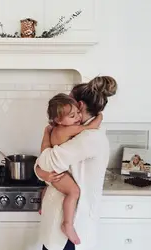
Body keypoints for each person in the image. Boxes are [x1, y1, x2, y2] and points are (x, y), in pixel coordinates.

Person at [34, 76, 117, 250]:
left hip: (67, 230)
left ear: (79, 105)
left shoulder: (89, 137)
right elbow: (45, 165)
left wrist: (42, 171)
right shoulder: (77, 132)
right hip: (57, 224)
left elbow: (46, 162)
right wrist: (42, 172)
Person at [39, 93, 103, 245]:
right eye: (72, 116)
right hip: (53, 167)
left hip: (49, 164)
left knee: (47, 187)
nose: (77, 118)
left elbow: (44, 152)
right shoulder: (67, 130)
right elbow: (91, 127)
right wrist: (100, 115)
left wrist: (46, 132)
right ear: (58, 120)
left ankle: (42, 207)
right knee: (74, 191)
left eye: (78, 113)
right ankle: (67, 224)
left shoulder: (56, 129)